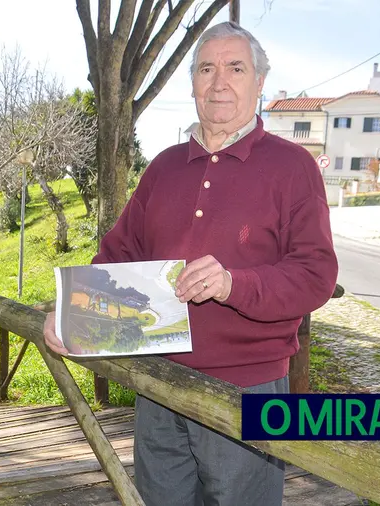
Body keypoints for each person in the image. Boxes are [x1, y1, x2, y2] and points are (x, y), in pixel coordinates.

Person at [43, 21, 338, 506]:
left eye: (235, 68)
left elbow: (316, 276)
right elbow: (118, 257)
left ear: (259, 83)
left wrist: (232, 284)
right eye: (207, 68)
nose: (219, 81)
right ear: (194, 83)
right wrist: (71, 315)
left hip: (249, 391)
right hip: (159, 384)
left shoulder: (293, 167)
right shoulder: (163, 167)